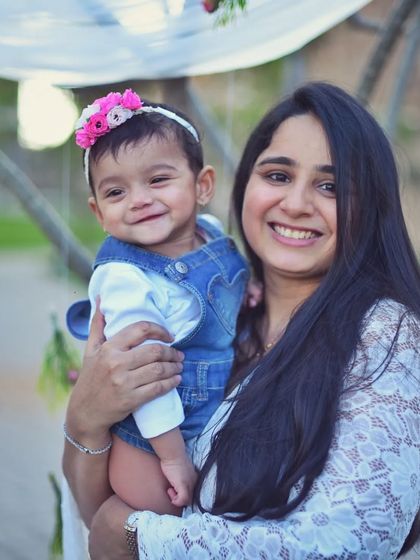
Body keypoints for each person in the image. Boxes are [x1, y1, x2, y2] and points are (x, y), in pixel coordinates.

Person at [62, 82, 420, 559]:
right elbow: (98, 517)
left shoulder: (386, 335)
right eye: (277, 175)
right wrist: (86, 421)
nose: (295, 204)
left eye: (330, 186)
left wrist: (139, 538)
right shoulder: (223, 313)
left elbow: (349, 545)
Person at [65, 88, 249, 516]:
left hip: (211, 409)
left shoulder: (209, 231)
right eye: (116, 193)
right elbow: (144, 381)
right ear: (98, 212)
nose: (139, 199)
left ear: (202, 185)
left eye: (158, 180)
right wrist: (171, 457)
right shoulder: (124, 279)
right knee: (161, 523)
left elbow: (228, 282)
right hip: (151, 440)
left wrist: (249, 288)